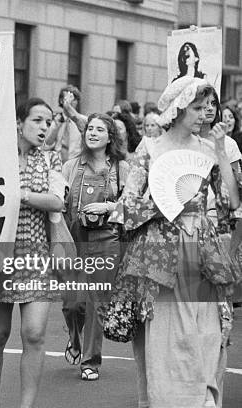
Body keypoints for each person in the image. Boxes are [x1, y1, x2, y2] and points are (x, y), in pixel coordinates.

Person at [109, 77, 240, 408]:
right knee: (170, 341)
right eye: (198, 107)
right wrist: (164, 206)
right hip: (161, 253)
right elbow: (126, 205)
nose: (205, 113)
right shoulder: (150, 148)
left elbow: (229, 205)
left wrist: (222, 151)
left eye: (208, 106)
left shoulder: (210, 149)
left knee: (208, 337)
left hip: (205, 251)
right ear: (178, 108)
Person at [0, 98, 64, 408]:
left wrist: (22, 194)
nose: (45, 127)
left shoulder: (52, 160)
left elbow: (57, 201)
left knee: (34, 334)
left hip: (36, 253)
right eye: (38, 120)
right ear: (19, 122)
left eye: (49, 122)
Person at [61, 113, 129, 381]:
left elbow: (132, 204)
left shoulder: (122, 169)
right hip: (74, 238)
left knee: (96, 302)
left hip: (107, 240)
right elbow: (59, 203)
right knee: (72, 304)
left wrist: (108, 206)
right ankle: (74, 340)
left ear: (110, 137)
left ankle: (91, 361)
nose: (92, 132)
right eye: (90, 128)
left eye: (100, 129)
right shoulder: (70, 166)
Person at [48, 85, 84, 163]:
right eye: (66, 99)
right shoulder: (55, 120)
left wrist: (68, 107)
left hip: (76, 164)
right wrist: (58, 123)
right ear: (61, 101)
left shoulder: (82, 120)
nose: (70, 101)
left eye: (73, 99)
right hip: (57, 163)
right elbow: (48, 142)